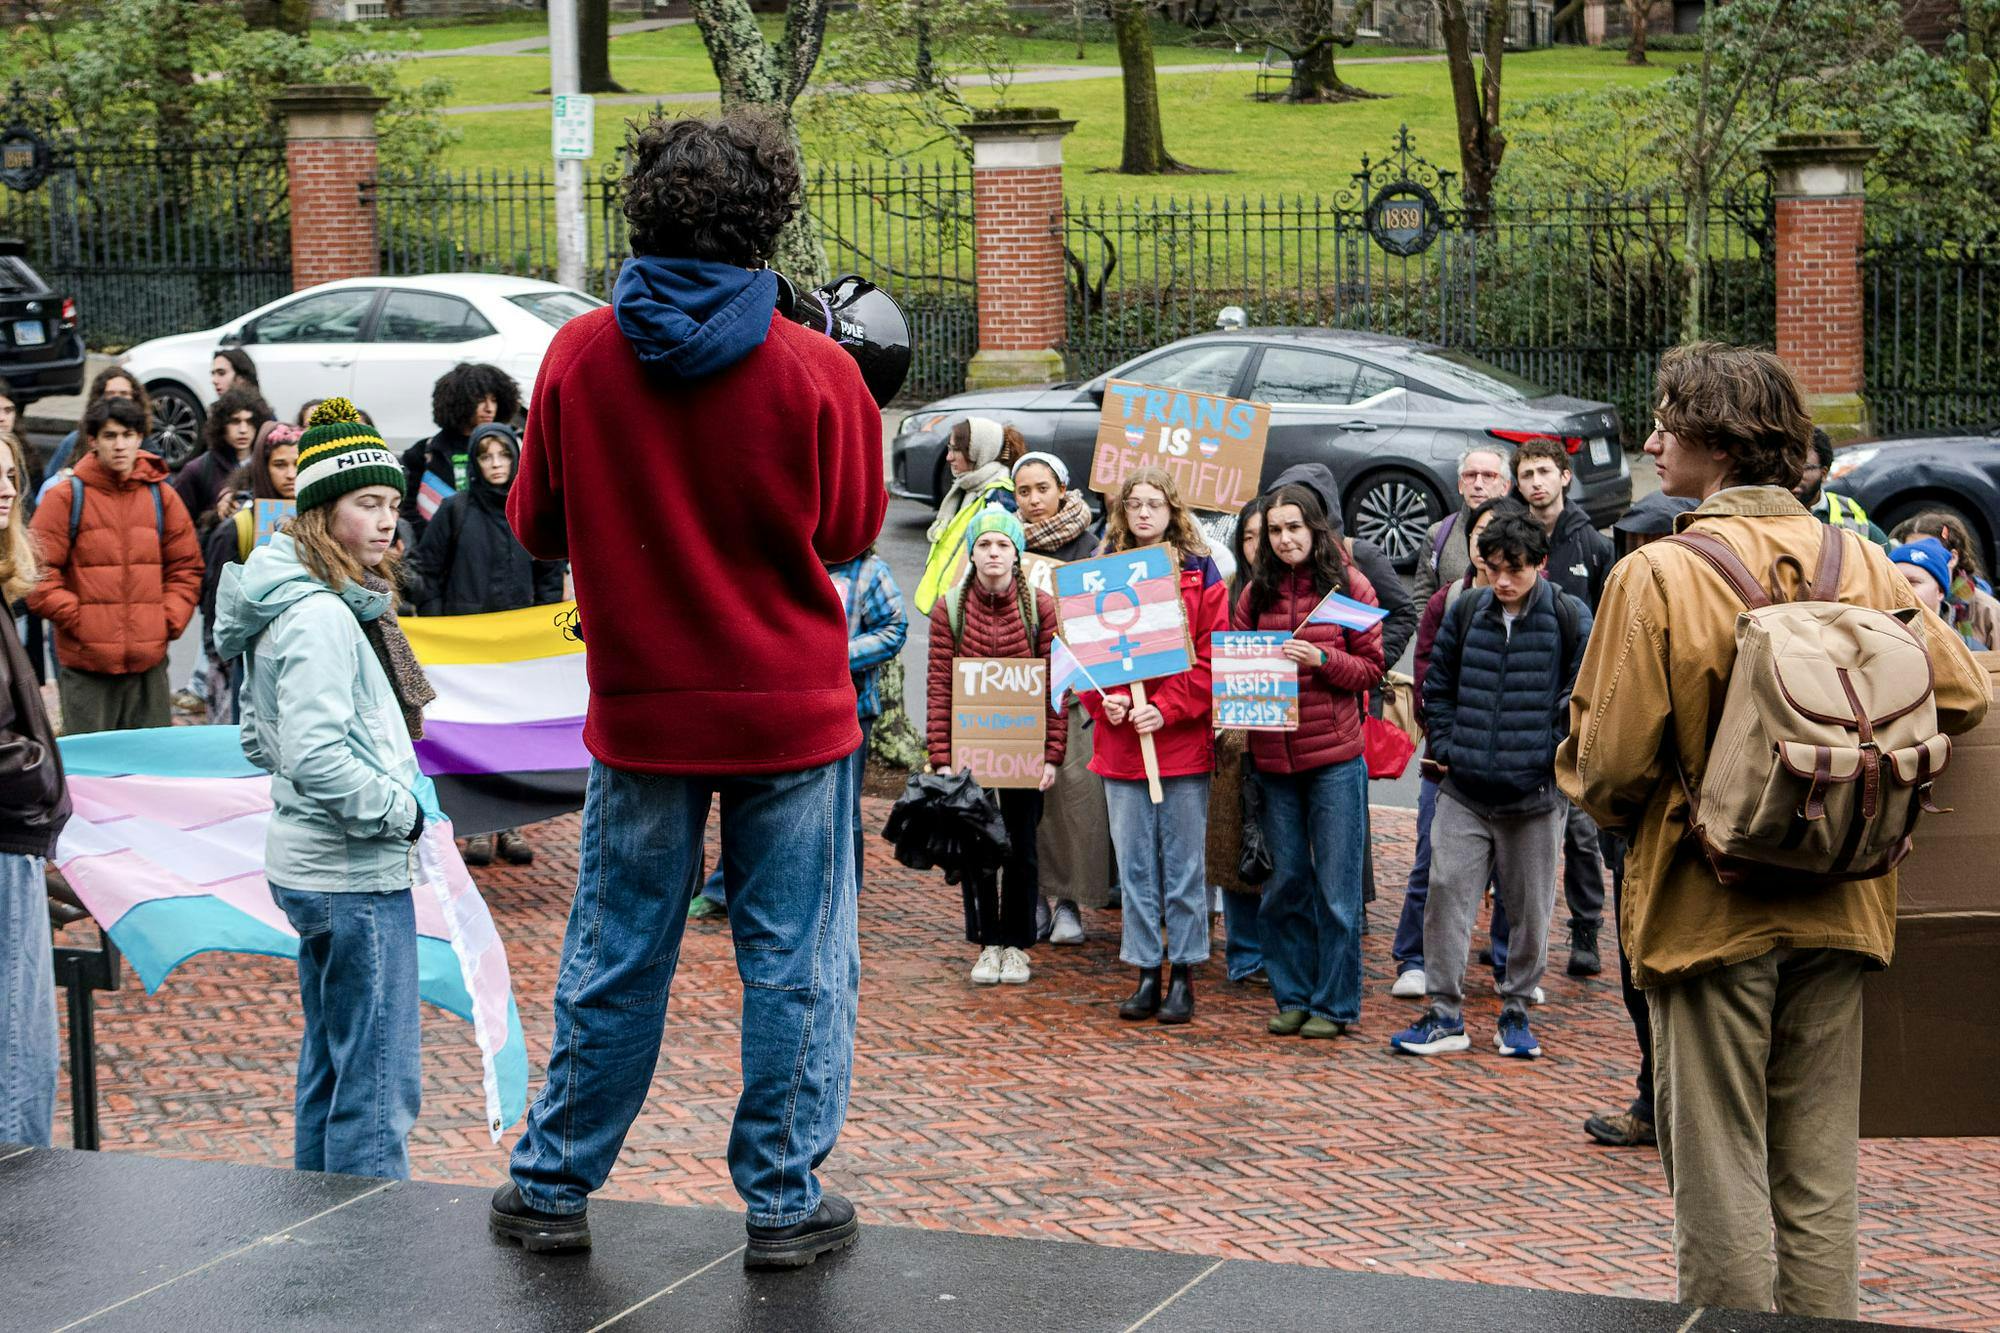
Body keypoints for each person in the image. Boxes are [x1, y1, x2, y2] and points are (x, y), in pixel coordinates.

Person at [491, 109, 884, 1269]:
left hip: (641, 708)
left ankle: (554, 1179)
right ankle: (779, 1196)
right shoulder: (820, 371)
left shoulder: (576, 356)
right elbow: (853, 529)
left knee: (617, 950)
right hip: (791, 711)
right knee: (794, 961)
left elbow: (537, 522)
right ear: (768, 217)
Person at [1559, 343, 1988, 1318]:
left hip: (1706, 906)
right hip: (1844, 895)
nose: (1650, 438)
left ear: (1714, 444)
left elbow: (1610, 767)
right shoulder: (1863, 559)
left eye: (1666, 420)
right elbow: (1958, 694)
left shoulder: (1658, 572)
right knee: (1817, 1177)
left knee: (1717, 1177)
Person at [213, 398, 432, 1180]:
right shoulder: (320, 616)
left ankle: (321, 1227)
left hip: (322, 863)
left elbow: (256, 732)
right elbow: (312, 752)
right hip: (351, 869)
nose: (386, 521)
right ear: (317, 513)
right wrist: (398, 810)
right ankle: (366, 1259)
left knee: (334, 1062)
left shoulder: (312, 601)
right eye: (367, 503)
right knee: (375, 1083)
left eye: (392, 503)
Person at [1393, 512, 1590, 1062]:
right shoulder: (1466, 610)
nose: (1503, 580)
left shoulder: (1570, 616)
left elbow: (1582, 695)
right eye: (1494, 568)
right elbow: (1439, 683)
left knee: (1530, 910)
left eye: (1515, 570)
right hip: (1466, 790)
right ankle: (1443, 1013)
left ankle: (1517, 1009)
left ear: (1540, 565)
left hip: (1533, 796)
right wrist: (1451, 747)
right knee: (1446, 897)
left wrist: (1547, 754)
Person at [1235, 482, 1384, 1040]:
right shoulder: (1256, 593)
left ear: (1315, 529)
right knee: (1285, 883)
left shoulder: (1348, 586)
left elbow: (1372, 670)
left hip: (1335, 760)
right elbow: (1238, 667)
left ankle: (1336, 1004)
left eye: (1294, 527)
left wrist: (1322, 658)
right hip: (1274, 761)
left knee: (1337, 890)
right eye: (1275, 530)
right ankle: (1293, 995)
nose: (1284, 538)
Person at [1082, 467, 1227, 1026]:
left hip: (1180, 744)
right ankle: (1145, 968)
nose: (1143, 513)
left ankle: (1185, 970)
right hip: (1122, 747)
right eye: (1134, 504)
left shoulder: (1201, 573)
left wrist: (1165, 708)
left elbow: (1212, 660)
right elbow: (1088, 658)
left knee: (1184, 865)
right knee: (1137, 866)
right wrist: (1107, 703)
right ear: (1121, 512)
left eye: (1154, 504)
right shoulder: (1100, 573)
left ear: (1173, 510)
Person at [1581, 488, 1696, 1150]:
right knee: (1634, 978)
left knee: (1674, 977)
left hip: (1677, 825)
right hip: (1627, 829)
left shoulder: (1685, 609)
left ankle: (1675, 1108)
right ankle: (1654, 1101)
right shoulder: (1616, 606)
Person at [406, 423, 569, 867]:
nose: (496, 465)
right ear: (475, 463)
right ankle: (476, 831)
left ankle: (510, 826)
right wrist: (440, 624)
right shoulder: (455, 510)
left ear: (516, 460)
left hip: (518, 655)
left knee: (514, 739)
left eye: (503, 456)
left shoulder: (527, 511)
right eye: (486, 457)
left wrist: (540, 625)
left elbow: (549, 573)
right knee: (471, 738)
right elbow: (428, 570)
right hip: (464, 654)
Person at [1390, 494, 1528, 1000]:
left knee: (1516, 875)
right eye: (1478, 537)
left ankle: (1508, 964)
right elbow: (1429, 674)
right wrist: (1445, 739)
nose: (1488, 552)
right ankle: (1414, 956)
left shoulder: (1550, 609)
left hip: (1517, 768)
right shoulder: (1448, 601)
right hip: (1448, 763)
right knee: (1434, 860)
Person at [925, 506, 1063, 985]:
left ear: (1017, 552)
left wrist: (1052, 755)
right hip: (972, 749)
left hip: (1024, 750)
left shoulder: (1041, 608)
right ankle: (987, 943)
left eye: (1002, 544)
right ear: (972, 553)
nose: (993, 553)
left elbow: (1054, 689)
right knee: (978, 847)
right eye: (983, 544)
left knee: (1023, 846)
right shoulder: (951, 608)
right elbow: (940, 682)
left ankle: (1018, 945)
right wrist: (941, 756)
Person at [27, 397, 202, 734]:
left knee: (149, 771)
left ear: (140, 437)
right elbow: (37, 573)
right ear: (93, 441)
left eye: (128, 434)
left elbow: (187, 568)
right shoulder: (65, 498)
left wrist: (165, 621)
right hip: (86, 669)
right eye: (110, 436)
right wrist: (81, 619)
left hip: (147, 668)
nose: (120, 445)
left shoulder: (161, 497)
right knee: (90, 775)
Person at [1510, 436, 1614, 977]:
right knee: (1512, 824)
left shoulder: (1592, 544)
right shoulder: (1513, 536)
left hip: (1574, 706)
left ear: (1565, 477)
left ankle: (1586, 930)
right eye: (1527, 474)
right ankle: (1511, 935)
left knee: (1578, 829)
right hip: (1520, 701)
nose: (1536, 483)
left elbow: (1610, 623)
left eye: (1545, 472)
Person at [0, 430, 71, 1149]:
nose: (6, 488)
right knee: (16, 1040)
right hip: (5, 832)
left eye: (10, 474)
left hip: (14, 832)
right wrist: (39, 778)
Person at [1011, 450, 1109, 944]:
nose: (1033, 500)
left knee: (1074, 803)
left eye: (1042, 489)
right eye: (1023, 492)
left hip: (1074, 696)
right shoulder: (1001, 547)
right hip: (1020, 694)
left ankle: (1070, 901)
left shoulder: (1093, 549)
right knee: (1026, 804)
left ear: (1063, 490)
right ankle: (1031, 897)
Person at [197, 421, 302, 725]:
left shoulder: (324, 522)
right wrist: (221, 663)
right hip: (247, 664)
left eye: (298, 464)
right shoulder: (237, 527)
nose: (291, 474)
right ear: (261, 467)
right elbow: (215, 607)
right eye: (280, 464)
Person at [1210, 494, 1271, 985]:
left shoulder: (1298, 588)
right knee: (1234, 846)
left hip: (1285, 737)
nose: (1255, 545)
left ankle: (1279, 948)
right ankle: (1244, 952)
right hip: (1232, 738)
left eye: (1263, 534)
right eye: (1247, 535)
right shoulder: (1225, 590)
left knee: (1283, 849)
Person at [826, 542, 908, 895]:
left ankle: (847, 894)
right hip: (792, 710)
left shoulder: (870, 571)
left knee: (845, 808)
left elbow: (894, 628)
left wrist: (835, 655)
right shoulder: (793, 559)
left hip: (853, 709)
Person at [399, 364, 522, 543]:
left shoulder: (511, 446)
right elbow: (406, 506)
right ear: (459, 401)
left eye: (494, 400)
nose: (489, 408)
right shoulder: (425, 451)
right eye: (481, 400)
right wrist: (429, 538)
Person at [914, 417, 1017, 616]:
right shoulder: (968, 487)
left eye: (955, 450)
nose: (948, 457)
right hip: (951, 610)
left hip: (970, 614)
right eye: (949, 448)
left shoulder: (998, 498)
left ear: (977, 452)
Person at [1412, 444, 1513, 609]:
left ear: (1505, 487)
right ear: (1460, 485)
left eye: (1488, 475)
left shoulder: (1522, 533)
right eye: (1470, 475)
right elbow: (1422, 600)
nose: (1478, 484)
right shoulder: (1439, 533)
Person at [36, 367, 152, 499]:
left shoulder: (149, 448)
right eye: (111, 394)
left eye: (124, 394)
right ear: (93, 441)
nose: (119, 445)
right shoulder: (74, 441)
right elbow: (47, 488)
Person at [1890, 511, 2000, 649]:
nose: (1915, 556)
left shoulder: (1987, 609)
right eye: (1909, 548)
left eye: (1929, 548)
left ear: (1953, 558)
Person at [174, 385, 273, 529]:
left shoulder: (270, 465)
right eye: (235, 421)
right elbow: (178, 527)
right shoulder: (197, 470)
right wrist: (215, 517)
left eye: (250, 422)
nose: (243, 430)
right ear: (221, 425)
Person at [1795, 428, 1891, 549]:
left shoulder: (1855, 522)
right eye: (1788, 466)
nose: (1795, 475)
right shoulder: (1767, 514)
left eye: (1805, 468)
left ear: (1824, 473)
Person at [1888, 536, 1953, 617]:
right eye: (1894, 582)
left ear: (1940, 591)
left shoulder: (1950, 629)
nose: (1901, 590)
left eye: (1912, 582)